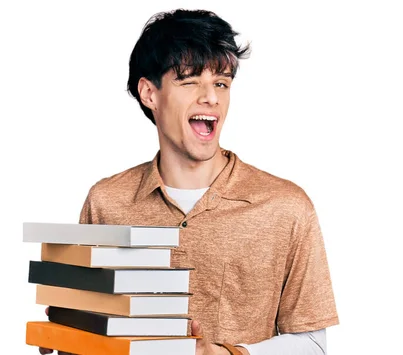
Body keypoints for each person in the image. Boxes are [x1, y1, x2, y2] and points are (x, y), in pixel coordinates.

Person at [40, 8, 338, 355]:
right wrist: (66, 338)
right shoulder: (106, 201)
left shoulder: (286, 207)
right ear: (149, 93)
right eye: (190, 80)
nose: (211, 97)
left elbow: (314, 344)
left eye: (221, 83)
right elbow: (89, 334)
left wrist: (227, 354)